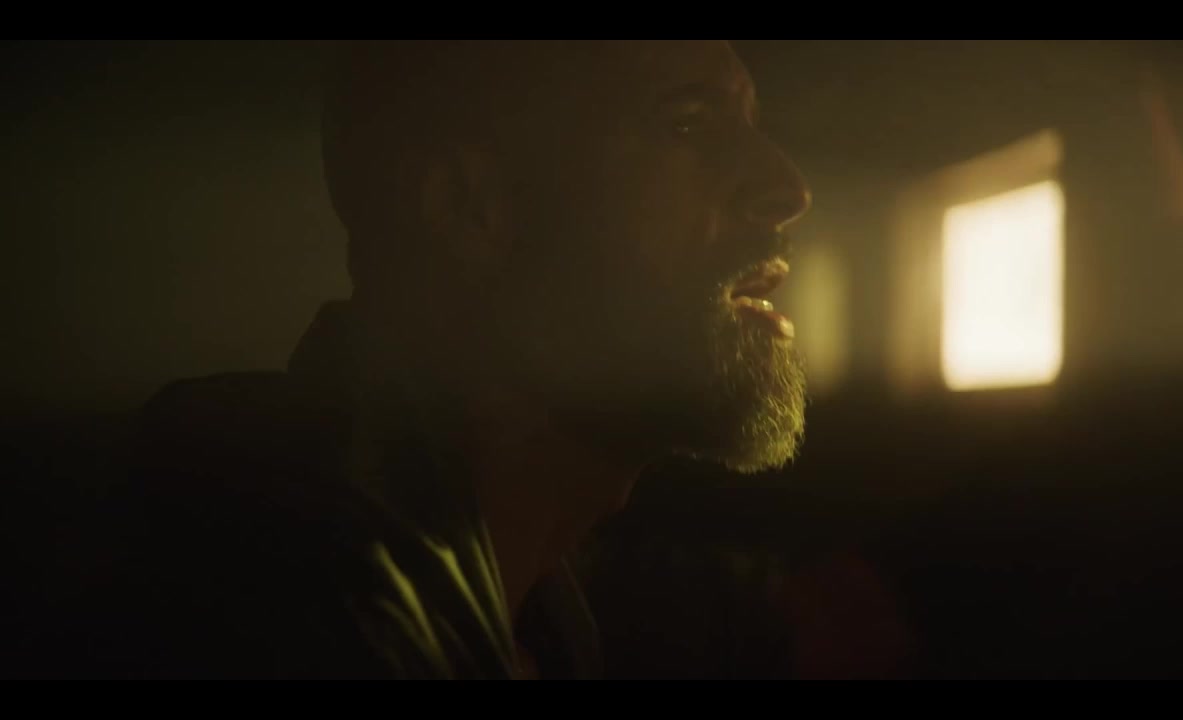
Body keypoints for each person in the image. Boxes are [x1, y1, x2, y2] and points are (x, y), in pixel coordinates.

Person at [30, 40, 811, 680]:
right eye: (688, 123)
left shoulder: (517, 600)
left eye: (749, 123)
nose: (789, 188)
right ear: (471, 208)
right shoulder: (293, 617)